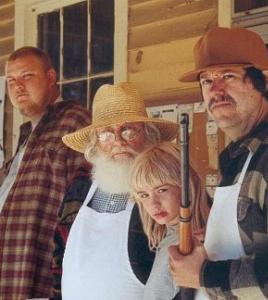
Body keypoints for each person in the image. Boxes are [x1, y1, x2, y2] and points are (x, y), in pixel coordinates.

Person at [168, 26, 268, 299]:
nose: (216, 90)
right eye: (206, 81)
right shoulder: (239, 155)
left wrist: (204, 275)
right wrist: (214, 241)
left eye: (228, 76)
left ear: (262, 81)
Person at [60, 82, 179, 300]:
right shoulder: (80, 186)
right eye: (106, 134)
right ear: (95, 144)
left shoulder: (168, 184)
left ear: (148, 134)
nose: (118, 141)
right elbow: (59, 251)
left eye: (128, 130)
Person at [0, 47, 91, 300]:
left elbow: (82, 203)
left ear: (51, 78)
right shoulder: (27, 133)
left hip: (39, 264)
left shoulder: (75, 122)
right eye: (11, 80)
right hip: (11, 261)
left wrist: (62, 265)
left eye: (27, 76)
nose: (18, 87)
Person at [130, 142, 210, 300]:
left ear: (187, 186)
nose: (153, 204)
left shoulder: (197, 243)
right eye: (144, 195)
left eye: (162, 190)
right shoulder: (167, 238)